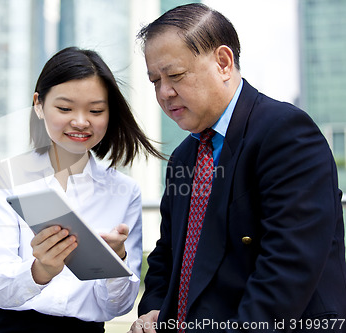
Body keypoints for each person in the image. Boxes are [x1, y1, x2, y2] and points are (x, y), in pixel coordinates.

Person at [129, 3, 346, 333]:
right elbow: (168, 255)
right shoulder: (184, 157)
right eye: (154, 80)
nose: (164, 93)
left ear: (223, 62)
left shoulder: (285, 133)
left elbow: (286, 270)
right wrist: (154, 309)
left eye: (174, 76)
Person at [0, 46, 163, 333]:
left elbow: (117, 307)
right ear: (38, 104)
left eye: (96, 110)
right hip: (4, 326)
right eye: (65, 108)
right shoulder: (5, 178)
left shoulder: (124, 191)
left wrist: (117, 262)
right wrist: (40, 271)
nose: (81, 121)